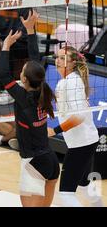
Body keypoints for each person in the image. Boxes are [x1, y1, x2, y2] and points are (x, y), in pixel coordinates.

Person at [0, 11, 60, 207]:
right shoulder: (43, 88)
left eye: (24, 70)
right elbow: (35, 61)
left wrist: (5, 47)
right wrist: (30, 30)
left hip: (33, 163)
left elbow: (4, 76)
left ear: (24, 79)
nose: (24, 67)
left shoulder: (23, 97)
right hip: (51, 162)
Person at [48, 46, 103, 207]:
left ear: (72, 63)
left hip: (81, 144)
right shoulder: (68, 81)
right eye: (57, 57)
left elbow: (79, 116)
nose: (57, 60)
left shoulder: (71, 83)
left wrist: (55, 130)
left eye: (62, 58)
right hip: (87, 140)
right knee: (84, 186)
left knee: (65, 193)